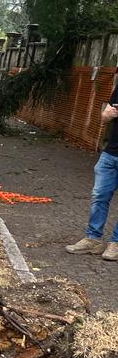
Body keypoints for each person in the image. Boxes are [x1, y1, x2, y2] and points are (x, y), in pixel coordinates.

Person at [66, 84, 118, 261]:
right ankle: (93, 239)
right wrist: (107, 115)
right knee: (99, 196)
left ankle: (116, 243)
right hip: (110, 154)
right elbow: (104, 117)